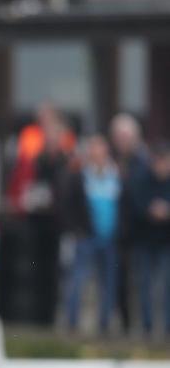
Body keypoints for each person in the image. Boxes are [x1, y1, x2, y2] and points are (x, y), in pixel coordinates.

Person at [62, 135, 124, 333]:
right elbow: (69, 205)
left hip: (110, 238)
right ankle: (72, 322)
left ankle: (104, 323)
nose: (97, 155)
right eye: (94, 151)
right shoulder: (80, 177)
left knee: (108, 283)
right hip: (86, 238)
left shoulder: (116, 176)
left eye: (101, 151)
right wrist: (77, 230)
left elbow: (123, 206)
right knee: (78, 280)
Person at [109, 113, 151, 333]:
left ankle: (145, 325)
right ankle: (124, 323)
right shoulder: (110, 160)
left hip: (139, 232)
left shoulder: (144, 162)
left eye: (125, 137)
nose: (122, 142)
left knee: (142, 281)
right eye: (118, 137)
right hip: (116, 231)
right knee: (118, 281)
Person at [130, 142, 170, 336]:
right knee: (144, 285)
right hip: (145, 241)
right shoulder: (142, 180)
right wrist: (150, 210)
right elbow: (136, 206)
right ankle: (147, 325)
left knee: (167, 286)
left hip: (166, 242)